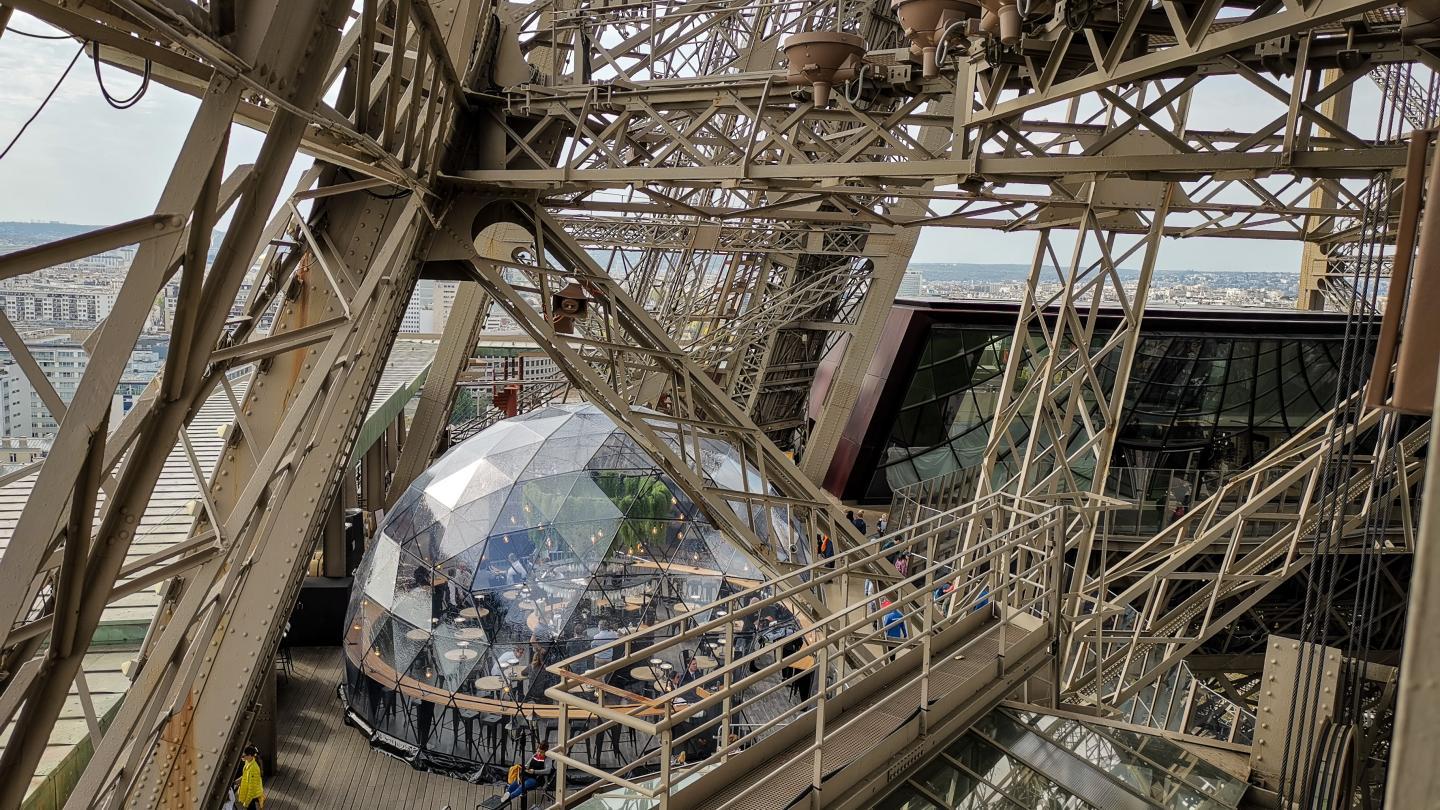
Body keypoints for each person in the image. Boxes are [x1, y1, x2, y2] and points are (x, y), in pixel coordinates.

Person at [235, 744, 265, 809]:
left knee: (251, 807)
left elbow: (252, 789)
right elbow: (246, 775)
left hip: (252, 794)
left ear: (250, 756)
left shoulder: (253, 769)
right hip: (251, 792)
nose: (242, 757)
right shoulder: (248, 761)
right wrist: (238, 780)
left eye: (244, 755)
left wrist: (247, 802)